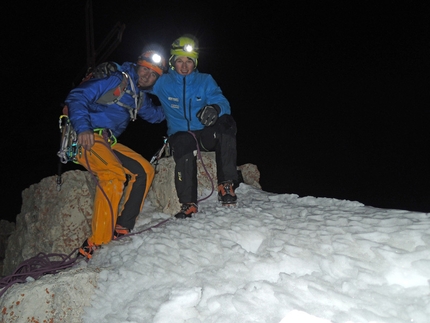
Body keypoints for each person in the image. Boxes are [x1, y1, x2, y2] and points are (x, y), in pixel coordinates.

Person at [64, 47, 167, 259]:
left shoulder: (138, 96)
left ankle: (122, 226)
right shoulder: (116, 79)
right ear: (138, 65)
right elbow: (77, 96)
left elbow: (157, 116)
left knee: (145, 170)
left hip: (107, 142)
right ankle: (98, 242)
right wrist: (83, 127)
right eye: (145, 70)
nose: (147, 76)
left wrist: (180, 104)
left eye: (153, 75)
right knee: (113, 175)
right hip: (87, 136)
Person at [151, 35, 239, 219]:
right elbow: (141, 81)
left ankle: (226, 184)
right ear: (172, 62)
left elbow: (223, 102)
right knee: (182, 141)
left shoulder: (205, 80)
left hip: (204, 135)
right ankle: (188, 203)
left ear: (195, 62)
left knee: (226, 122)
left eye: (189, 61)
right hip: (181, 135)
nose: (184, 66)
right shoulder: (163, 82)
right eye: (179, 61)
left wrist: (214, 109)